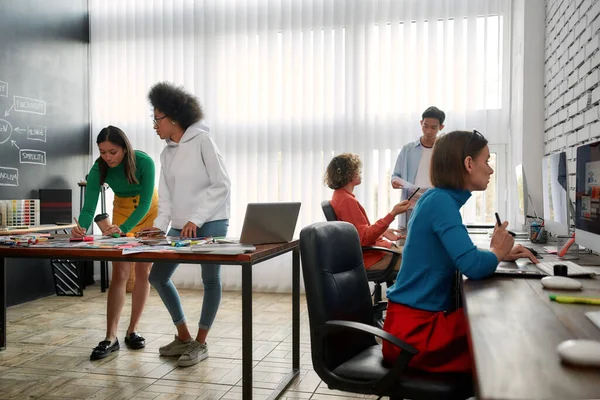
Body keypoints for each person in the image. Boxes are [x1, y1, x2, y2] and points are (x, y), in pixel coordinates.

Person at [382, 130, 538, 373]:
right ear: (468, 163)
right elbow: (473, 267)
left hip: (410, 325)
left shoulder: (436, 198)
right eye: (486, 161)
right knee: (505, 342)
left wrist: (497, 253)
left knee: (498, 330)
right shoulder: (441, 202)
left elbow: (463, 254)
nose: (490, 170)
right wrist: (496, 252)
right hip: (413, 336)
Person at [145, 82, 231, 367]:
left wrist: (197, 218)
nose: (154, 125)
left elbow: (222, 185)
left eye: (157, 119)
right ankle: (184, 336)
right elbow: (166, 198)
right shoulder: (166, 153)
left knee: (210, 280)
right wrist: (159, 226)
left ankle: (201, 343)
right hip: (181, 225)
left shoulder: (204, 141)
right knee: (157, 277)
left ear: (173, 118)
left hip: (212, 220)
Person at [73, 126, 158, 360]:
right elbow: (89, 206)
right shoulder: (99, 167)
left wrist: (125, 229)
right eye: (102, 152)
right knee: (119, 273)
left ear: (124, 148)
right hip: (121, 210)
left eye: (113, 152)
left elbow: (145, 203)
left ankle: (133, 330)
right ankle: (111, 336)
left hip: (148, 211)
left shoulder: (144, 162)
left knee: (143, 271)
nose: (108, 157)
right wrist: (81, 227)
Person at [324, 153, 412, 271]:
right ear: (349, 174)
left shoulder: (340, 196)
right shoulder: (346, 201)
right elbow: (364, 239)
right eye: (357, 170)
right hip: (370, 259)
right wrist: (393, 214)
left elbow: (358, 233)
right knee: (419, 262)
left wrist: (382, 232)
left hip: (371, 253)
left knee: (414, 254)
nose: (360, 173)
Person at [391, 106, 445, 227]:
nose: (428, 131)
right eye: (425, 126)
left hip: (435, 204)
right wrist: (394, 181)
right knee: (410, 240)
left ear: (441, 127)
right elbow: (396, 175)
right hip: (411, 205)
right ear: (421, 123)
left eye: (433, 127)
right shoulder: (408, 150)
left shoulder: (444, 151)